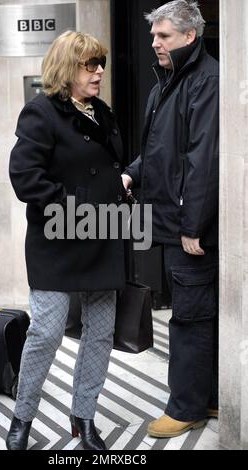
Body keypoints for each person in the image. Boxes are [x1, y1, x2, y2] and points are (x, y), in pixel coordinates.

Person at [7, 30, 126, 450]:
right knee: (46, 332)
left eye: (100, 65)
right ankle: (21, 418)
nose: (98, 73)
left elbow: (107, 166)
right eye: (89, 65)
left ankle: (85, 416)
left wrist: (121, 183)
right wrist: (71, 207)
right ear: (67, 68)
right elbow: (25, 177)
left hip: (102, 236)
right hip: (58, 238)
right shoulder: (41, 112)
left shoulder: (102, 112)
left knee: (99, 334)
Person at [122, 0, 219, 438]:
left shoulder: (206, 81)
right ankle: (210, 396)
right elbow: (161, 150)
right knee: (198, 313)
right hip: (168, 219)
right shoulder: (167, 82)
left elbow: (204, 159)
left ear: (189, 36)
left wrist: (192, 226)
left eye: (163, 36)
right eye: (153, 35)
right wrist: (130, 173)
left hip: (189, 228)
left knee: (190, 319)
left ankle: (186, 407)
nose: (154, 43)